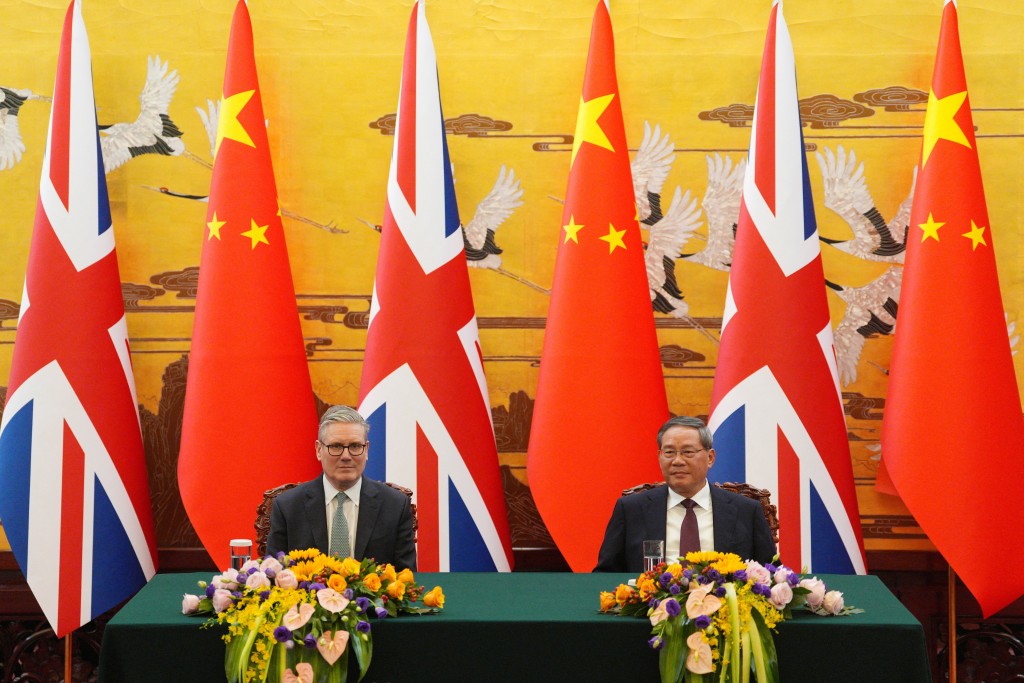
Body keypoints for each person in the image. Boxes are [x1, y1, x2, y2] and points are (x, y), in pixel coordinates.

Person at [594, 415, 775, 572]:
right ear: (659, 456)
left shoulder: (745, 510)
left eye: (688, 452)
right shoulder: (631, 509)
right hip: (651, 609)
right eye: (669, 452)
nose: (677, 461)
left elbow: (771, 574)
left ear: (710, 457)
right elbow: (606, 574)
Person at [267, 405, 417, 570]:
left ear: (366, 450)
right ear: (318, 450)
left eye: (355, 446)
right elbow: (274, 575)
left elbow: (407, 579)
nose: (346, 456)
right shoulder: (288, 507)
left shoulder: (395, 506)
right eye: (336, 446)